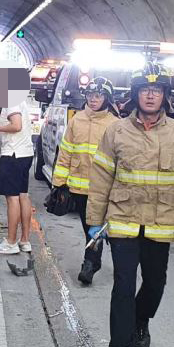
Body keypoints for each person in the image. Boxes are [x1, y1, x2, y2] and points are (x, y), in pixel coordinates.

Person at [87, 64, 174, 347]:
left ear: (165, 96)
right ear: (136, 95)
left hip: (161, 222)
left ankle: (142, 318)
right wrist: (94, 221)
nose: (151, 95)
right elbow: (100, 180)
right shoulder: (116, 132)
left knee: (155, 283)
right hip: (123, 221)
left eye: (156, 90)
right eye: (145, 90)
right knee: (123, 287)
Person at [50, 77, 119, 285]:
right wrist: (59, 183)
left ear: (107, 98)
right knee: (88, 227)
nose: (93, 99)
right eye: (90, 95)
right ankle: (93, 261)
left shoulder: (114, 124)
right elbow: (65, 153)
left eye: (98, 95)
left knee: (96, 228)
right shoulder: (76, 120)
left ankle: (90, 264)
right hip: (78, 188)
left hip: (102, 189)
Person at [0, 92, 35, 255]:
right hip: (25, 153)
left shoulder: (11, 101)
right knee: (23, 196)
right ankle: (25, 240)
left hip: (13, 154)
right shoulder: (17, 99)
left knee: (12, 198)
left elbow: (16, 125)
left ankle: (10, 242)